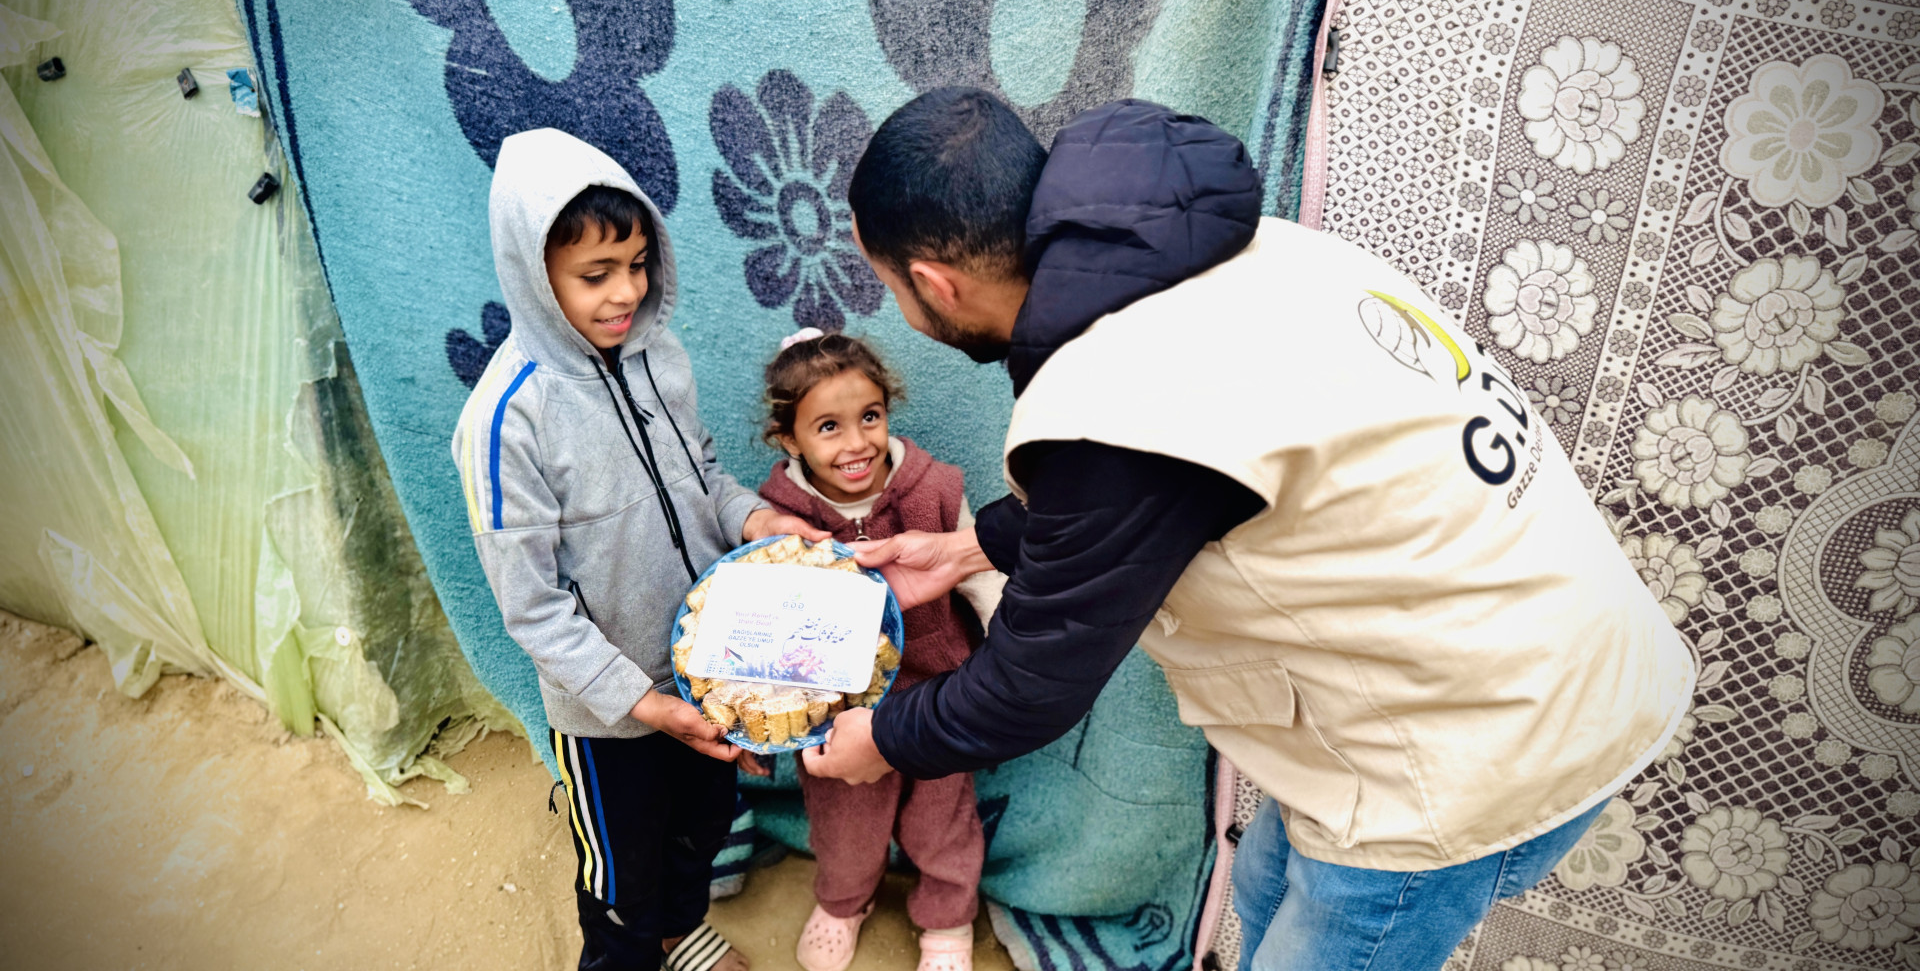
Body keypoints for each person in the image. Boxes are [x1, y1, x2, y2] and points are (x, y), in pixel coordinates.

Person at [800, 91, 1694, 971]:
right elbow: (1163, 501)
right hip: (1546, 645)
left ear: (933, 283)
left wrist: (880, 739)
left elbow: (1030, 684)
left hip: (1486, 742)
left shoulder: (1115, 390)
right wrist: (969, 548)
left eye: (893, 295)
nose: (907, 318)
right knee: (1261, 896)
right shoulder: (1213, 247)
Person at [453, 128, 825, 971]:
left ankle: (676, 933)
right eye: (595, 276)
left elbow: (703, 474)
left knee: (698, 834)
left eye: (638, 263)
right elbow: (534, 609)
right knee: (620, 883)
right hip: (609, 716)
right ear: (531, 272)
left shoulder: (661, 354)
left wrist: (755, 522)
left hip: (708, 668)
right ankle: (632, 946)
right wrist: (645, 706)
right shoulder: (506, 419)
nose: (625, 294)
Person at [743, 328, 1002, 971]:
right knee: (844, 822)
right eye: (827, 426)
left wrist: (1005, 662)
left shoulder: (935, 488)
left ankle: (947, 919)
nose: (856, 442)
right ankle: (842, 901)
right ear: (788, 439)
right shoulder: (777, 514)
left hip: (940, 693)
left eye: (870, 417)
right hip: (833, 710)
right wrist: (751, 724)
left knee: (943, 819)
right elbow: (758, 627)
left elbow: (982, 574)